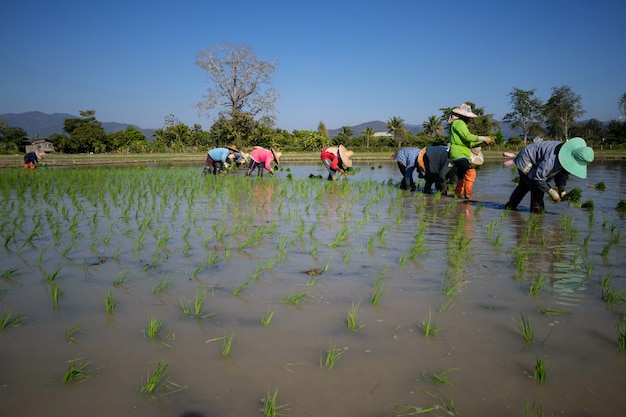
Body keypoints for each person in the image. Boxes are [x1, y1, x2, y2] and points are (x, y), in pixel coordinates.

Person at [504, 137, 594, 214]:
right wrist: (551, 191)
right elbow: (538, 178)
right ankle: (537, 215)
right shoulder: (552, 159)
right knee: (537, 189)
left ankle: (510, 207)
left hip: (536, 160)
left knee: (524, 186)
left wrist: (561, 189)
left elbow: (562, 174)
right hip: (526, 159)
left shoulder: (564, 157)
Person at [447, 103, 495, 200]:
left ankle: (457, 196)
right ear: (463, 116)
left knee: (461, 176)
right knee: (470, 172)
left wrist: (482, 142)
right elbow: (468, 137)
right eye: (468, 117)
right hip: (459, 154)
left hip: (461, 153)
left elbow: (469, 143)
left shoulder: (458, 124)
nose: (470, 119)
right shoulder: (459, 123)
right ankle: (468, 196)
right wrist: (484, 138)